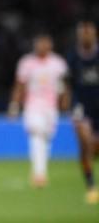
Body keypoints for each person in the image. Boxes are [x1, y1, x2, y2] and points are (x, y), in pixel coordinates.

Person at [9, 33, 69, 188]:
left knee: (46, 138)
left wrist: (65, 101)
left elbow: (63, 84)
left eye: (45, 44)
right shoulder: (27, 63)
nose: (42, 47)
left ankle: (40, 168)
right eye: (39, 44)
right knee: (36, 133)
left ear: (50, 45)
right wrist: (14, 105)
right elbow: (20, 85)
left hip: (50, 107)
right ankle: (39, 174)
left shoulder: (58, 63)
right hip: (33, 105)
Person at [66, 20, 99, 204]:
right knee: (85, 143)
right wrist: (68, 102)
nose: (86, 36)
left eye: (89, 33)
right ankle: (91, 186)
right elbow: (68, 84)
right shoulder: (72, 58)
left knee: (94, 148)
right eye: (82, 33)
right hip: (81, 106)